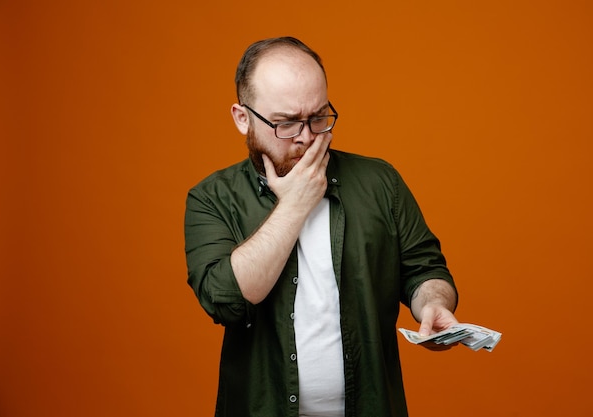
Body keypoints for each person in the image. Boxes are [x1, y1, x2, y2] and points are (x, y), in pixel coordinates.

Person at [185, 36, 459, 417]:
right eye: (285, 123)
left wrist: (434, 304)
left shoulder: (381, 182)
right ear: (242, 118)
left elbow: (425, 270)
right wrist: (295, 204)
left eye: (318, 117)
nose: (306, 137)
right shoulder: (211, 198)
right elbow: (227, 300)